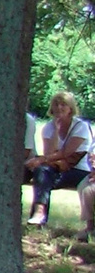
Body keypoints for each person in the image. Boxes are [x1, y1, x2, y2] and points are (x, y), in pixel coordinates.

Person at [26, 91, 90, 226]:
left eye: (63, 105)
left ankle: (39, 213)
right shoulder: (48, 127)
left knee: (43, 174)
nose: (59, 108)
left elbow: (66, 153)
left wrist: (41, 159)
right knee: (42, 172)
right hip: (56, 168)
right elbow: (49, 153)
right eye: (56, 104)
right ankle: (39, 215)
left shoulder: (81, 127)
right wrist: (56, 130)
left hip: (79, 170)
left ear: (70, 108)